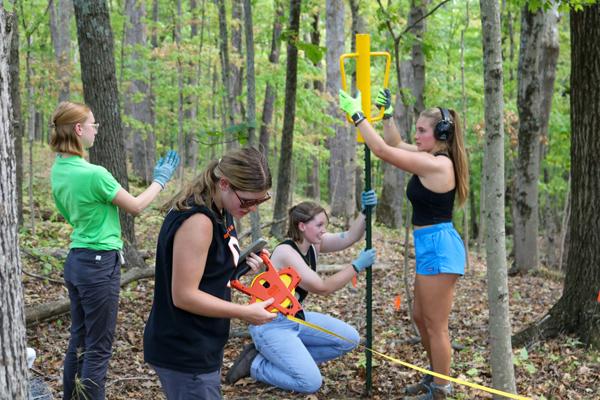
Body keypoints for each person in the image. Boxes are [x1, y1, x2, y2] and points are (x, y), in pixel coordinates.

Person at [339, 89, 469, 400]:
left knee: (436, 326)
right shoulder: (429, 156)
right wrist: (387, 116)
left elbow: (383, 151)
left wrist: (357, 116)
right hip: (430, 245)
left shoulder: (439, 165)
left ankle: (441, 390)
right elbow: (395, 143)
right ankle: (435, 374)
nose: (417, 134)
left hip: (439, 248)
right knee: (419, 318)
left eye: (423, 130)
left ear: (441, 133)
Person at [49, 101, 180, 400]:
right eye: (93, 124)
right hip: (98, 264)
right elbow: (135, 207)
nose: (96, 129)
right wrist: (160, 180)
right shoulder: (94, 174)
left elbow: (69, 214)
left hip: (76, 261)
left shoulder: (58, 169)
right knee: (98, 347)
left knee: (79, 339)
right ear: (79, 129)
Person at [143, 147, 277, 400]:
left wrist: (241, 266)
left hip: (201, 342)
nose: (253, 208)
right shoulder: (198, 221)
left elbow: (207, 272)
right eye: (248, 201)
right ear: (224, 183)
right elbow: (184, 295)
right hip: (184, 348)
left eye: (261, 200)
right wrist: (245, 312)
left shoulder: (221, 208)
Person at [225, 193, 378, 393]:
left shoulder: (314, 244)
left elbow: (349, 237)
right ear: (302, 226)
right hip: (271, 324)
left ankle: (292, 359)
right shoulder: (286, 252)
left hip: (296, 318)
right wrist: (356, 266)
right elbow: (322, 287)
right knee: (310, 383)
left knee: (350, 339)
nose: (324, 231)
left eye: (325, 226)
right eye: (320, 225)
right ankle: (257, 365)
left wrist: (365, 212)